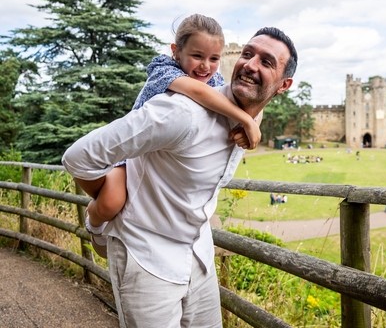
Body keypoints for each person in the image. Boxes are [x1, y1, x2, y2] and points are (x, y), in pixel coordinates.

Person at [62, 26, 298, 327]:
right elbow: (78, 157)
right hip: (146, 258)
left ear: (283, 84)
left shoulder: (252, 118)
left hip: (199, 257)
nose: (250, 64)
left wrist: (249, 122)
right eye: (247, 54)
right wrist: (109, 204)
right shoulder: (181, 114)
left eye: (266, 62)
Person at [84, 14, 262, 257]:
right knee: (111, 202)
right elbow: (198, 92)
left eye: (214, 59)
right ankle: (93, 224)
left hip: (166, 164)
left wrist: (247, 128)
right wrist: (245, 121)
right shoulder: (164, 69)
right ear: (176, 51)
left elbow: (242, 102)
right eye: (197, 56)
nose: (205, 66)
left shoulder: (215, 79)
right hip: (134, 156)